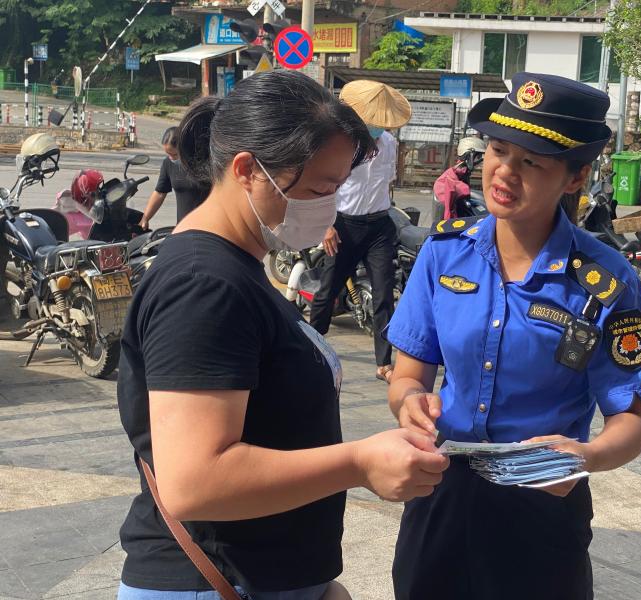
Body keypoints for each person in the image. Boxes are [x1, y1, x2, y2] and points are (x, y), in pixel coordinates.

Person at [116, 71, 448, 600]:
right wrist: (359, 463)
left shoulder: (237, 268)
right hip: (215, 581)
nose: (330, 206)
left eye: (337, 189)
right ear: (248, 170)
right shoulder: (204, 285)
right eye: (319, 189)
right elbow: (196, 481)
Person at [385, 73, 641, 599]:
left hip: (542, 499)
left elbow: (631, 418)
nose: (505, 172)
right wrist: (410, 402)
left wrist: (584, 457)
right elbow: (408, 377)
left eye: (532, 162)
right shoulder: (443, 254)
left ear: (575, 178)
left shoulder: (605, 281)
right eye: (498, 150)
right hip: (440, 485)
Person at [309, 80, 411, 384]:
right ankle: (310, 350)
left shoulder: (389, 144)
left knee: (384, 294)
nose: (378, 128)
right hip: (343, 225)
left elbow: (386, 183)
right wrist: (326, 225)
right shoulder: (341, 143)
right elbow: (325, 185)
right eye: (374, 123)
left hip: (379, 226)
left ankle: (384, 363)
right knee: (327, 292)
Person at [139, 127, 211, 229]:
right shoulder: (168, 163)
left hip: (207, 226)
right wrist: (145, 218)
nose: (171, 158)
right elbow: (160, 193)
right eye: (168, 154)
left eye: (175, 154)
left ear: (184, 147)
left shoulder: (203, 162)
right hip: (182, 226)